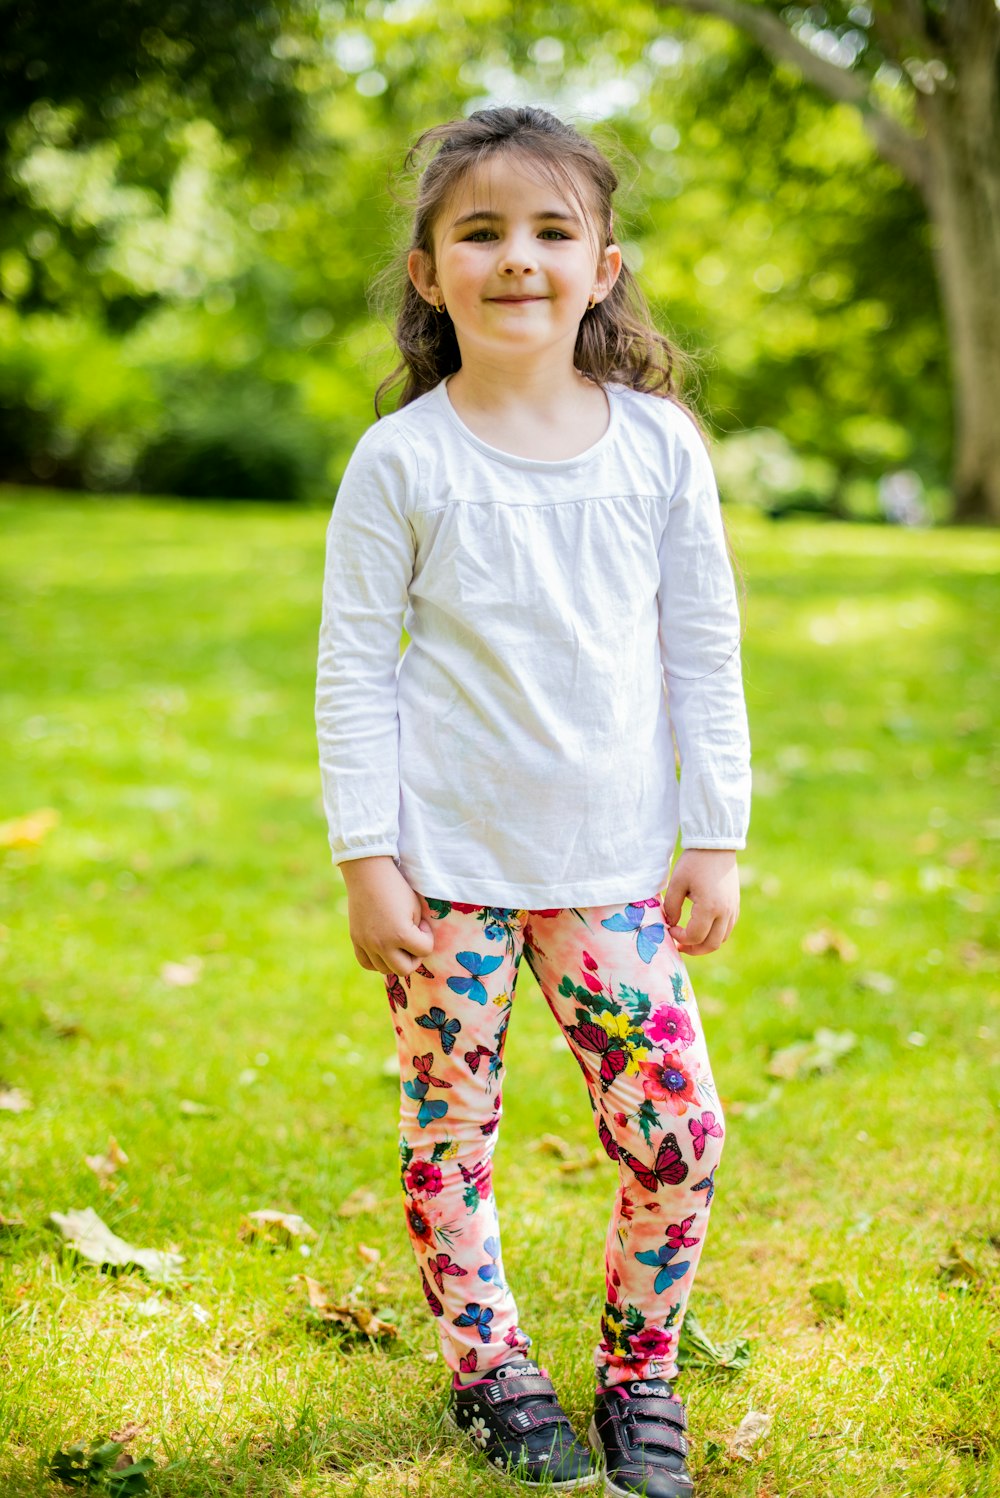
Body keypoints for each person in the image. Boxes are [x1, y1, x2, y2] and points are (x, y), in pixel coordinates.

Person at [315, 106, 751, 1498]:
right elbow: (352, 669)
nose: (519, 258)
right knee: (450, 1130)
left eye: (551, 231)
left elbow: (705, 645)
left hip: (614, 872)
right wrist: (366, 857)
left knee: (678, 1130)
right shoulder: (404, 461)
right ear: (429, 271)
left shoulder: (659, 445)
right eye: (482, 232)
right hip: (448, 876)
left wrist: (716, 832)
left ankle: (640, 1372)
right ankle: (490, 1366)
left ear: (604, 264)